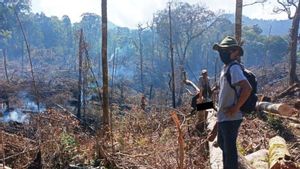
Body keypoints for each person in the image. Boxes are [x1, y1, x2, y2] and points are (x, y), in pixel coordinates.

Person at [212, 36, 252, 169]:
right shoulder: (226, 68)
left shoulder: (234, 68)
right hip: (224, 117)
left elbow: (247, 88)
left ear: (234, 52)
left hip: (231, 117)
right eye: (221, 51)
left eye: (226, 50)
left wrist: (236, 108)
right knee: (223, 146)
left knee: (230, 153)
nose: (222, 53)